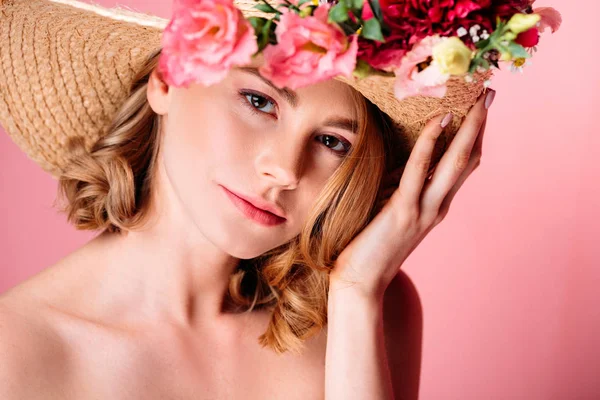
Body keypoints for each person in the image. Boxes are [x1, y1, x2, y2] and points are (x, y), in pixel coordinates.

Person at [0, 0, 511, 398]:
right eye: (259, 101)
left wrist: (357, 298)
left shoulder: (370, 307)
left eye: (333, 142)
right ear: (167, 79)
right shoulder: (16, 353)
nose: (285, 170)